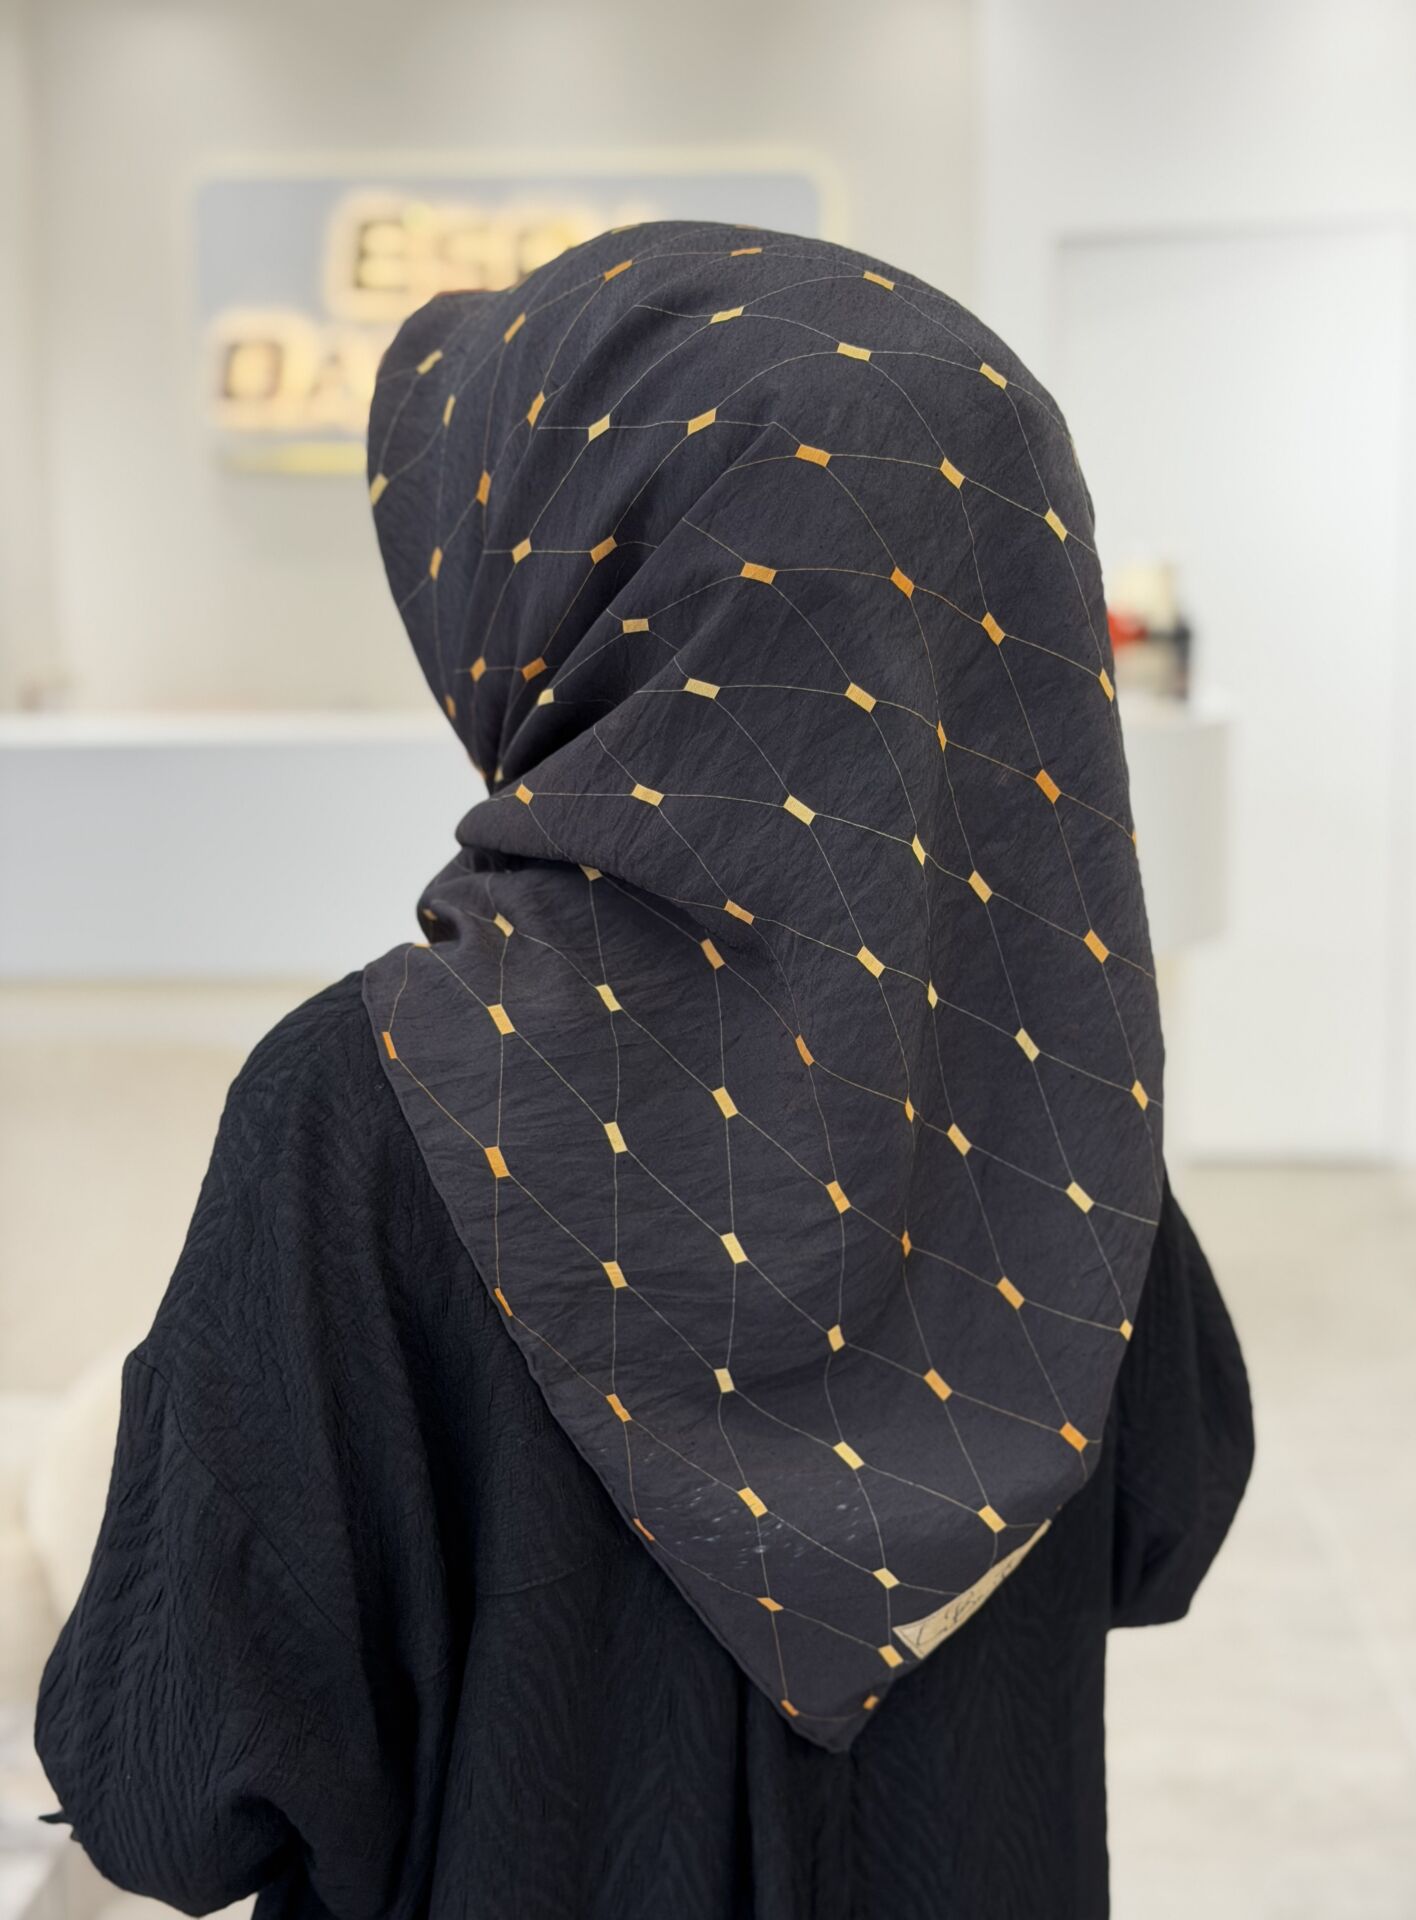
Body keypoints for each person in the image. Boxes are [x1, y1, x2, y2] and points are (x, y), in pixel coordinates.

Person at [34, 220, 1253, 1919]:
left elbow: (169, 1795)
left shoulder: (364, 1114)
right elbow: (1165, 1518)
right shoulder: (1031, 1091)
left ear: (580, 593)